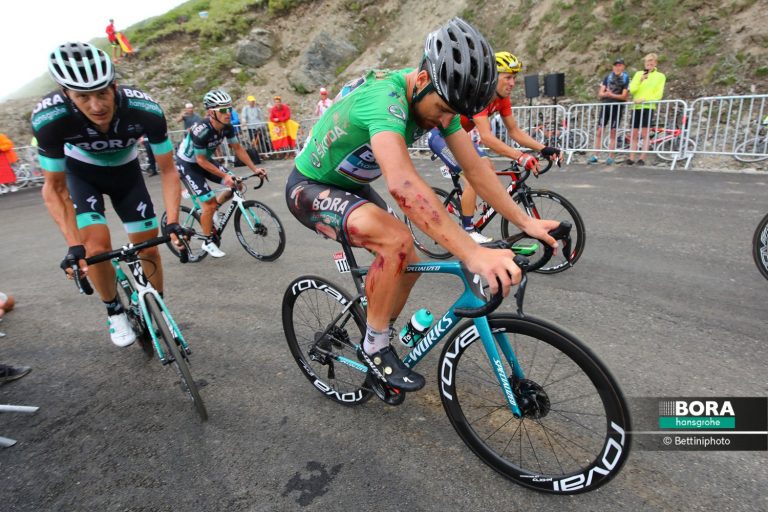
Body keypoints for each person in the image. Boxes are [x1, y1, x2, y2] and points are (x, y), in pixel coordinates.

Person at [285, 18, 559, 392]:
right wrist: (471, 253)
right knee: (395, 241)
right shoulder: (386, 98)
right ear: (425, 79)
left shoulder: (439, 102)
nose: (445, 121)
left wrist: (525, 221)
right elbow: (402, 184)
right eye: (444, 109)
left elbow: (476, 170)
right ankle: (375, 345)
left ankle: (376, 327)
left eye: (453, 114)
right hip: (310, 187)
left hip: (353, 187)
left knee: (409, 258)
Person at [32, 42, 184, 348]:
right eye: (83, 97)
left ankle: (158, 308)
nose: (97, 106)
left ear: (115, 86)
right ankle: (114, 309)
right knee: (95, 247)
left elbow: (169, 171)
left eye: (103, 93)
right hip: (81, 175)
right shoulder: (50, 119)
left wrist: (173, 223)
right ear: (66, 95)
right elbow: (55, 188)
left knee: (150, 248)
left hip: (126, 173)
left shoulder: (145, 110)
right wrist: (73, 245)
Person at [427, 51, 562, 243]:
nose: (512, 83)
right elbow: (487, 138)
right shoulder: (480, 95)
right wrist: (520, 156)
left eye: (514, 78)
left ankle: (470, 197)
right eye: (508, 77)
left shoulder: (502, 98)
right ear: (492, 77)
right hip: (439, 136)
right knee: (475, 176)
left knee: (487, 166)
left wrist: (543, 148)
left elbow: (514, 131)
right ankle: (468, 230)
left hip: (458, 137)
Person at [175, 89, 267, 258]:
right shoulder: (201, 130)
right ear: (211, 112)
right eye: (223, 110)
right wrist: (224, 176)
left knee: (236, 184)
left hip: (205, 160)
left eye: (230, 109)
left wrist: (255, 169)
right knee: (208, 204)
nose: (228, 113)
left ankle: (213, 211)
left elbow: (238, 148)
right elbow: (200, 161)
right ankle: (207, 240)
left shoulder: (227, 127)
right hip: (188, 164)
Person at [627, 53, 666, 166]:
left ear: (655, 64)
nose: (649, 65)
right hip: (636, 107)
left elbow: (658, 94)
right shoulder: (639, 74)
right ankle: (631, 157)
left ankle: (642, 158)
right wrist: (640, 80)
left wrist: (645, 99)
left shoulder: (660, 76)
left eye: (651, 63)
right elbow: (633, 90)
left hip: (648, 106)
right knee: (634, 133)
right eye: (647, 63)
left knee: (645, 133)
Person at [589, 58, 629, 165]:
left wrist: (612, 95)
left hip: (617, 107)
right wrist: (606, 94)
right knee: (600, 131)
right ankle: (595, 155)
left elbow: (624, 96)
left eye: (620, 65)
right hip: (606, 106)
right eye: (616, 65)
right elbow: (601, 93)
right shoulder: (608, 77)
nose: (617, 67)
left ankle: (611, 156)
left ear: (623, 67)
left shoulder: (625, 78)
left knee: (613, 131)